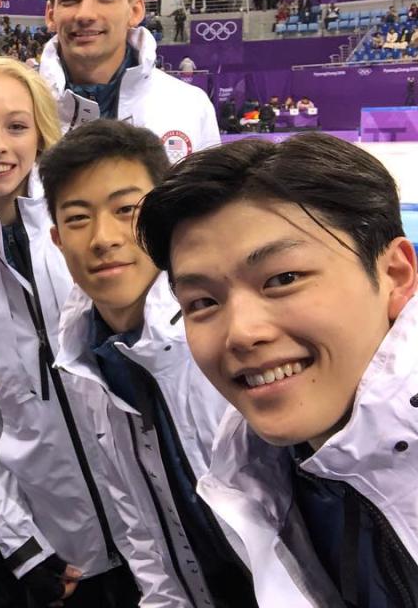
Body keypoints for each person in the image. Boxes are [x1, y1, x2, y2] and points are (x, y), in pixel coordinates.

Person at [137, 133, 418, 606]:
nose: (242, 333)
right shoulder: (256, 476)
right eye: (202, 302)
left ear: (395, 274)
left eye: (283, 279)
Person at [0, 57, 139, 607]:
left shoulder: (84, 233)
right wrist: (22, 544)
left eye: (16, 126)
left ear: (41, 138)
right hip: (57, 543)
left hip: (148, 523)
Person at [39, 120, 259, 607]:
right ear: (56, 238)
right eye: (78, 218)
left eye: (125, 210)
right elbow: (137, 517)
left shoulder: (234, 333)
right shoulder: (83, 359)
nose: (104, 237)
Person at [38, 0, 219, 159]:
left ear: (135, 11)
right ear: (50, 14)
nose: (85, 14)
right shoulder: (21, 109)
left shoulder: (190, 107)